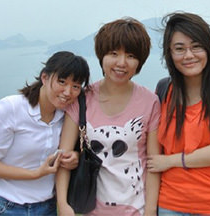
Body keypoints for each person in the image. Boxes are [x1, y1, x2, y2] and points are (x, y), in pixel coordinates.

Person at [56, 18, 161, 216]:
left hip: (135, 209)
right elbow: (64, 154)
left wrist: (150, 210)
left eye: (130, 55)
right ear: (101, 55)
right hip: (89, 210)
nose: (121, 63)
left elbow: (153, 162)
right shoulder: (82, 99)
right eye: (114, 53)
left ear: (139, 62)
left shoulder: (150, 102)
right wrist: (63, 205)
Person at [146, 12, 210, 215]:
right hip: (170, 204)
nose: (189, 55)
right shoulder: (164, 91)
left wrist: (172, 161)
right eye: (179, 49)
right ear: (169, 54)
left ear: (208, 49)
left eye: (196, 46)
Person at [0, 51, 90, 216]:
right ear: (44, 77)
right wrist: (35, 174)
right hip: (3, 205)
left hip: (45, 207)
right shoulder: (11, 108)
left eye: (76, 86)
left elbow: (69, 151)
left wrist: (75, 157)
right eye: (62, 81)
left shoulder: (66, 116)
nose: (67, 91)